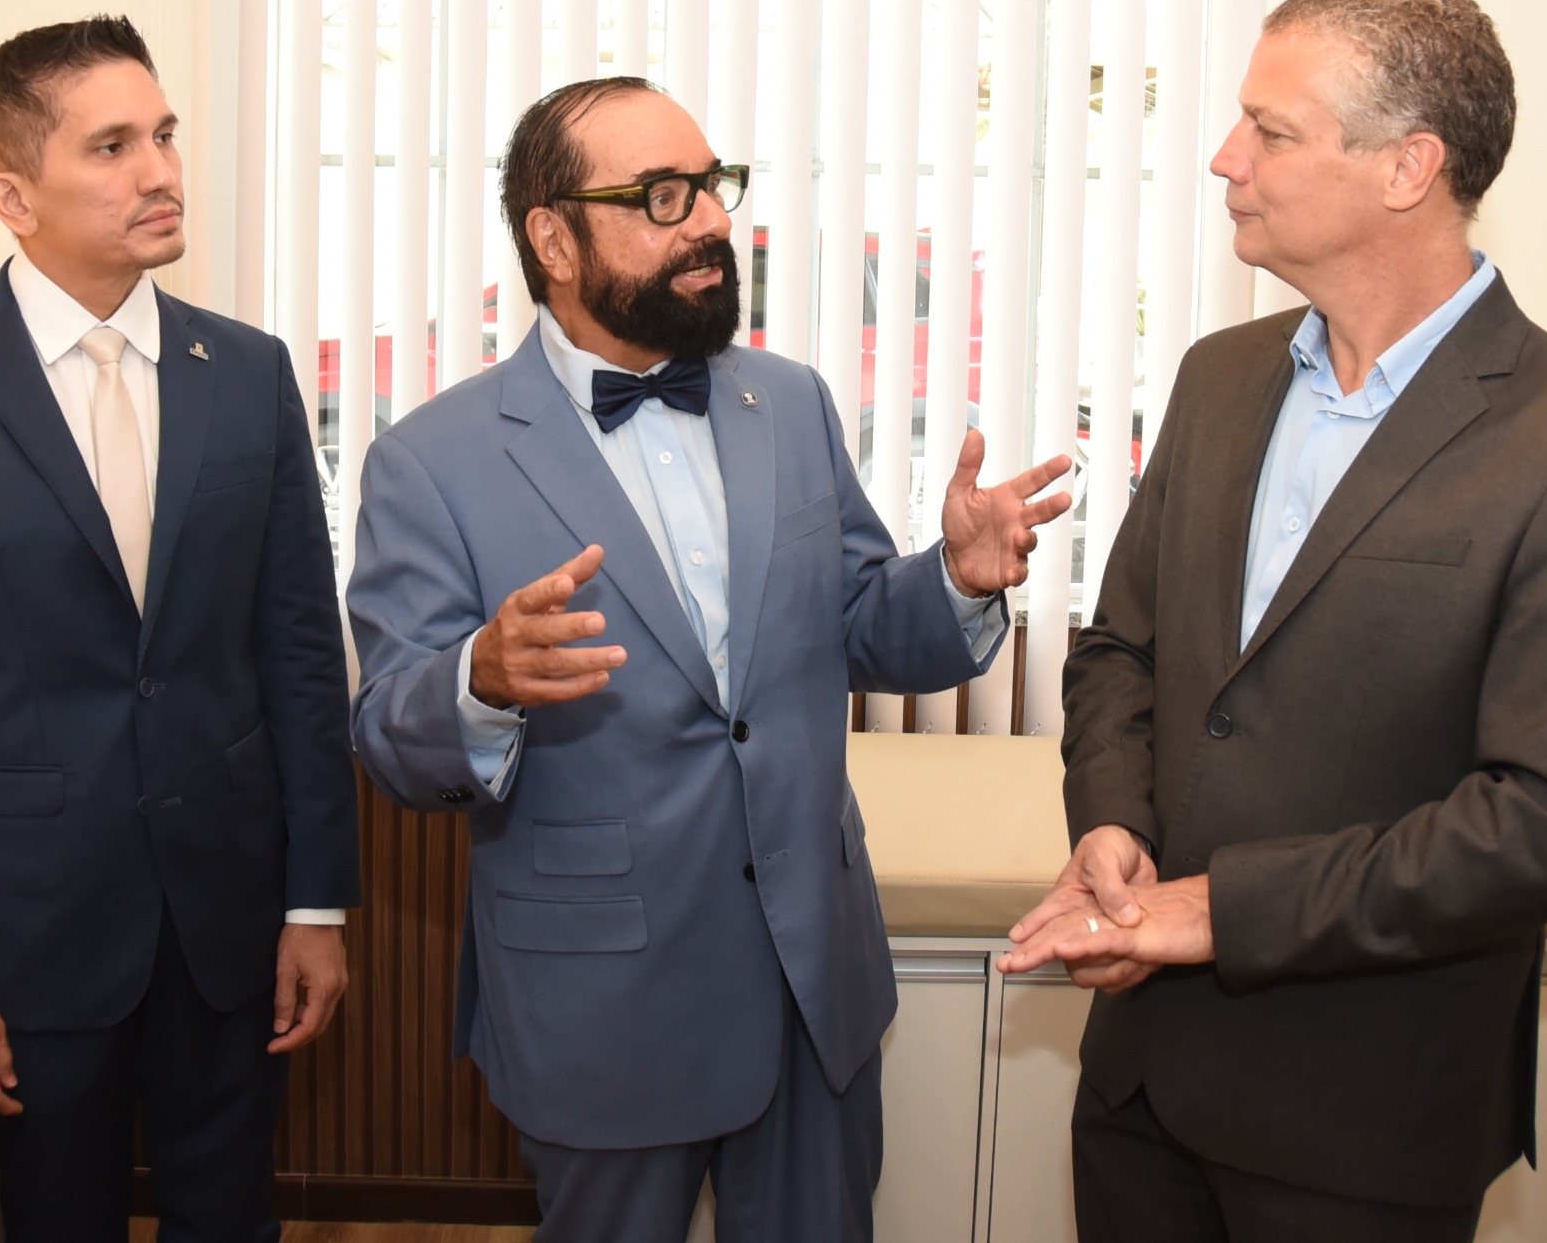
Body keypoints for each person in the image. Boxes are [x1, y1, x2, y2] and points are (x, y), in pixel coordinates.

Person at [1002, 0, 1547, 1242]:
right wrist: (1112, 824)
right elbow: (1121, 649)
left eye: (1270, 131)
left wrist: (1211, 908)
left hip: (1364, 1117)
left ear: (1405, 167)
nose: (1225, 158)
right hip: (1143, 1083)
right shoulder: (1221, 377)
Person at [345, 76, 1069, 1243]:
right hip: (602, 995)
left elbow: (862, 625)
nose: (711, 223)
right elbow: (387, 733)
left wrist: (956, 578)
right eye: (663, 195)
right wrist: (478, 679)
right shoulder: (431, 460)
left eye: (714, 186)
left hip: (810, 977)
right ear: (554, 237)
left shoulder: (785, 401)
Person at [0, 17, 360, 1243]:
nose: (160, 170)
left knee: (231, 1216)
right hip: (24, 929)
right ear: (12, 194)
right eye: (110, 144)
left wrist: (316, 902)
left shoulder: (251, 373)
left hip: (231, 917)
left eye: (163, 134)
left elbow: (297, 656)